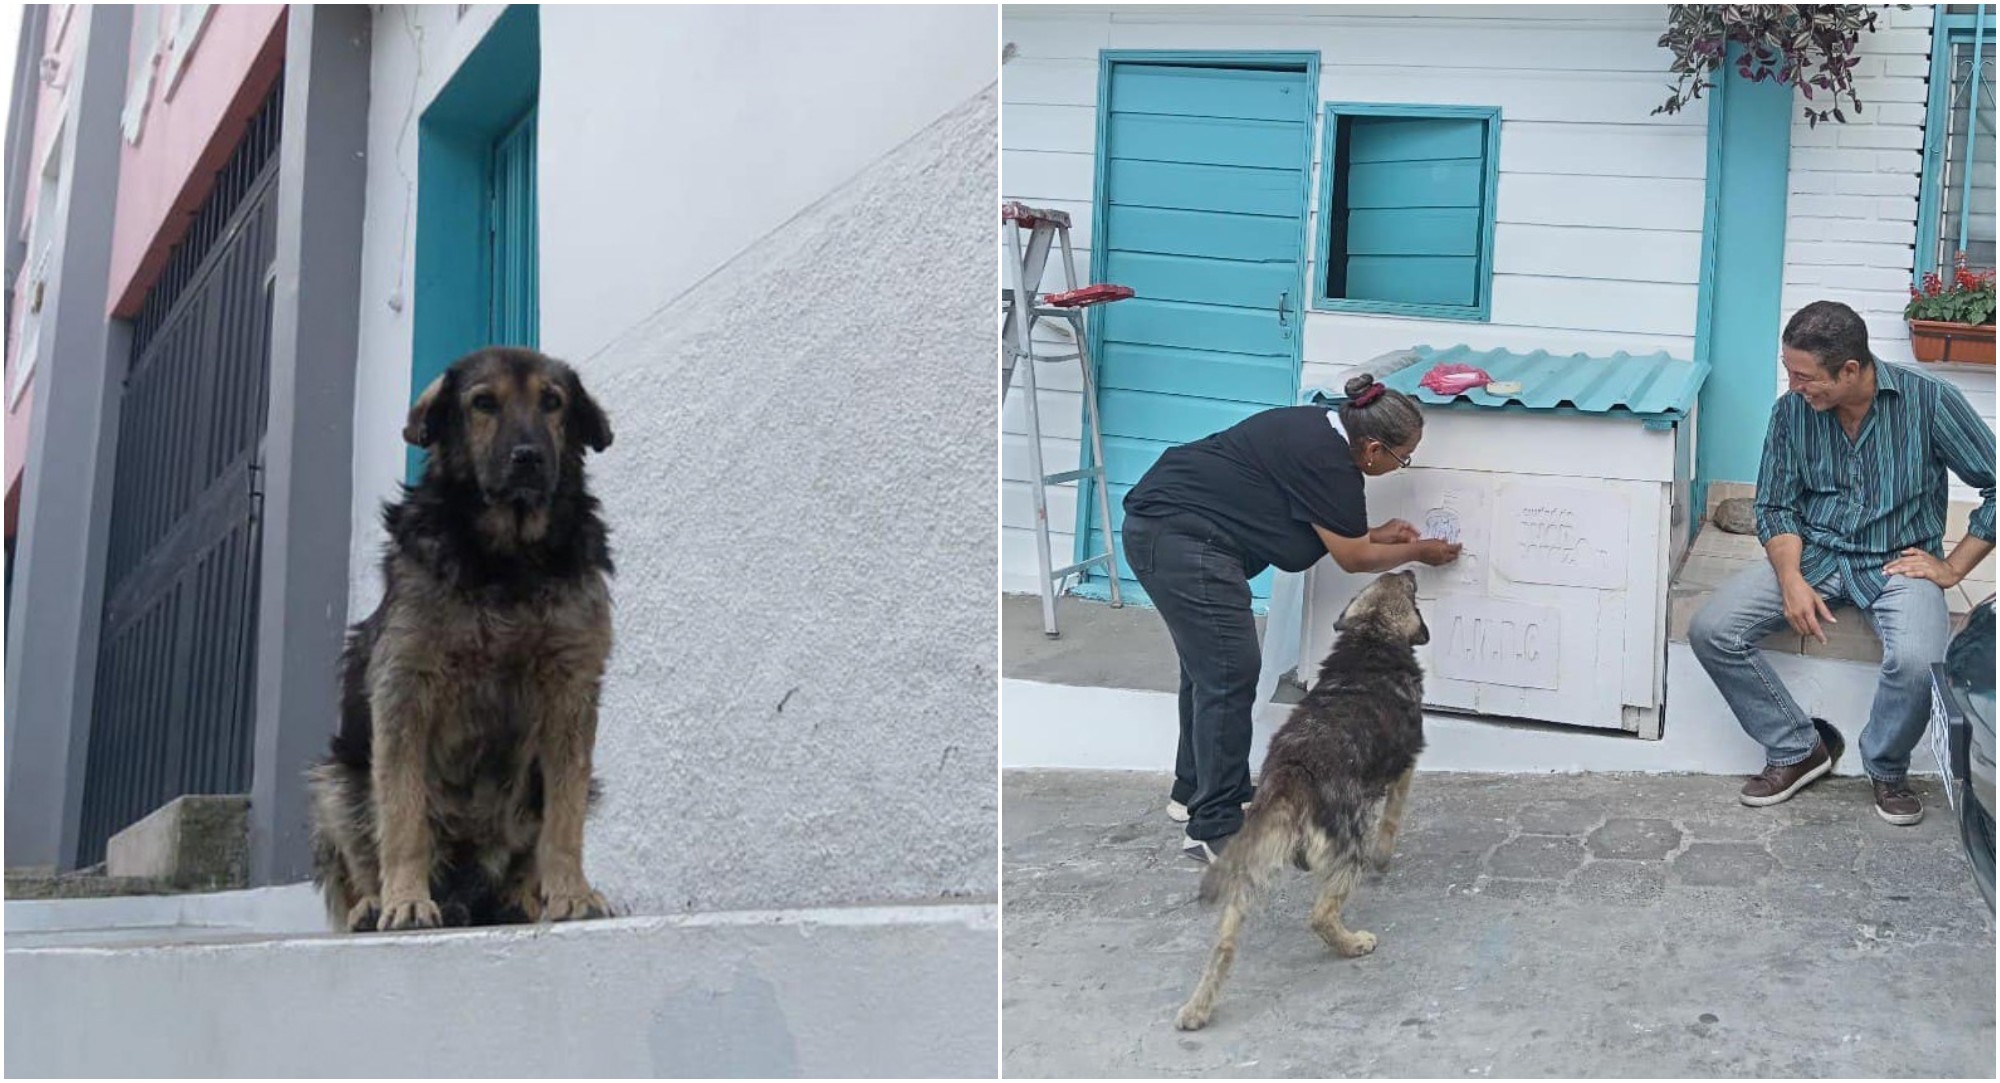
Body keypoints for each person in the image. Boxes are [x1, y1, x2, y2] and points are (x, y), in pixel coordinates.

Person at [1120, 373, 1462, 862]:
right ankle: (1213, 828)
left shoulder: (1318, 430)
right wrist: (1419, 551)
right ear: (1371, 449)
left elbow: (1332, 525)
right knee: (1228, 673)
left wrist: (1380, 534)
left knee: (1208, 672)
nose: (1399, 464)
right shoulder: (1330, 463)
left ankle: (1194, 792)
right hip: (1182, 541)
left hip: (1165, 531)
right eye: (1401, 456)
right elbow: (1353, 558)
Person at [1689, 300, 1996, 825]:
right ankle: (1796, 747)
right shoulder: (1792, 412)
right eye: (1789, 371)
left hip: (1899, 562)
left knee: (1920, 660)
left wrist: (1953, 570)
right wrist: (1790, 579)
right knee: (1711, 628)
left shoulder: (1930, 402)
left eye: (1804, 376)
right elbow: (1775, 505)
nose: (1793, 386)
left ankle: (1886, 764)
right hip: (1817, 554)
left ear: (1850, 370)